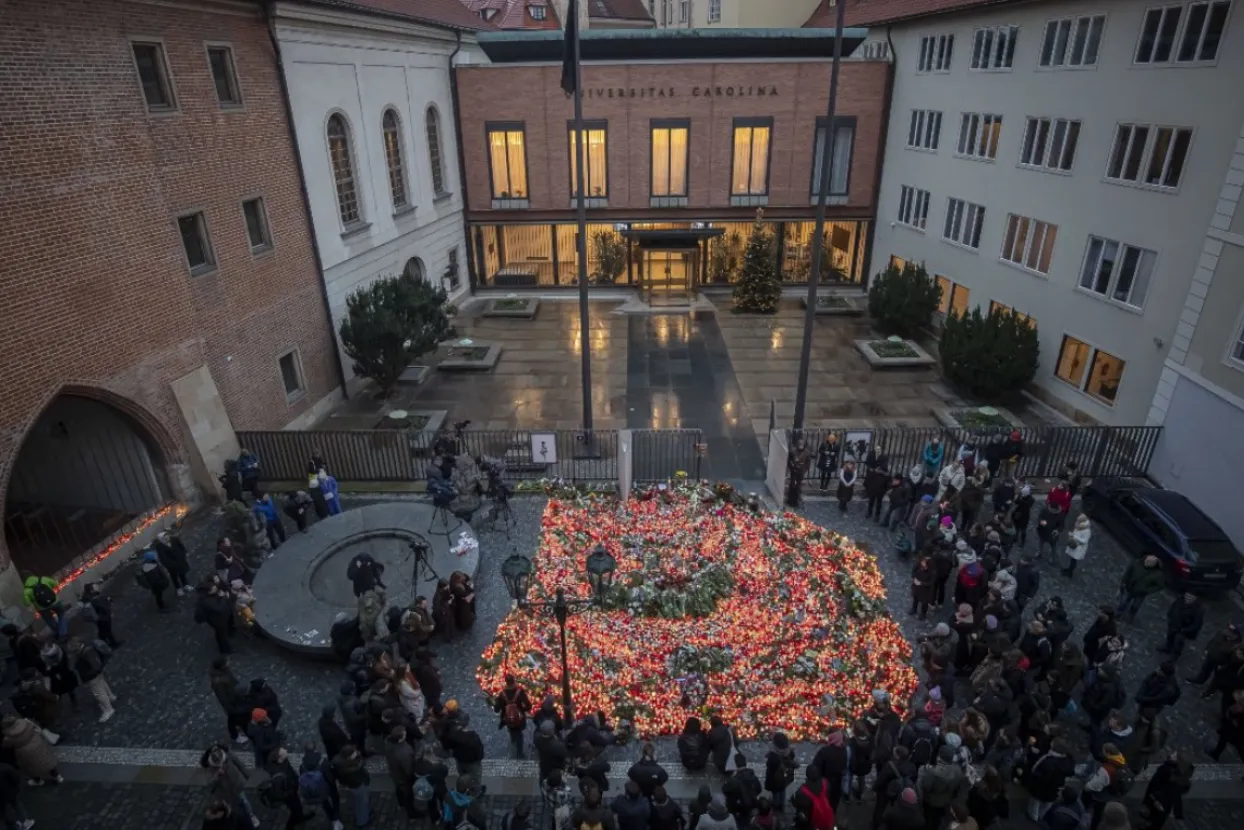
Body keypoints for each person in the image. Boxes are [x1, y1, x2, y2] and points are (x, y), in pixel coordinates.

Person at [201, 743, 259, 829]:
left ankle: (251, 816)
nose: (221, 765)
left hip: (236, 785)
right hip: (224, 792)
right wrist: (216, 776)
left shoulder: (229, 755)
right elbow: (209, 784)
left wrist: (246, 774)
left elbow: (239, 764)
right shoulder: (210, 768)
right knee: (232, 806)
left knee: (244, 801)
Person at [1021, 738, 1074, 822]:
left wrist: (1031, 776)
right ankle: (1041, 818)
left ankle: (1032, 818)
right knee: (1046, 804)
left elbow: (1042, 777)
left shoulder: (1049, 762)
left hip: (1040, 788)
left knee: (1034, 803)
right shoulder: (1067, 761)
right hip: (1054, 788)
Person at [0, 716, 62, 786]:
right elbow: (35, 727)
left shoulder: (8, 737)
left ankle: (38, 781)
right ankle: (57, 776)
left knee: (31, 767)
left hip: (24, 752)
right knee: (46, 760)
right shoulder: (26, 723)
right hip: (37, 743)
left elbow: (6, 746)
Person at [917, 745, 967, 830]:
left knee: (928, 819)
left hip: (931, 802)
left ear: (939, 757)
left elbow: (926, 787)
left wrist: (923, 770)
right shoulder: (958, 771)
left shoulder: (932, 772)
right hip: (945, 801)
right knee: (937, 819)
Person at [66, 637, 115, 723]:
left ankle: (108, 709)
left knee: (98, 693)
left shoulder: (87, 652)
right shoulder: (87, 648)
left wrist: (88, 674)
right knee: (103, 684)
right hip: (97, 674)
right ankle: (110, 697)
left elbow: (95, 666)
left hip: (93, 676)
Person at [1187, 622, 1241, 686]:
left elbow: (1233, 657)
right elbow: (1213, 641)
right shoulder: (1221, 634)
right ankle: (1199, 681)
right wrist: (1207, 649)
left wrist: (1225, 665)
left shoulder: (1237, 645)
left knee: (1217, 677)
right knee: (1204, 670)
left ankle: (1211, 688)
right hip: (1211, 656)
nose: (1227, 634)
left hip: (1220, 662)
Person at [331, 743, 371, 828]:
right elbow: (359, 769)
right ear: (349, 756)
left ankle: (365, 815)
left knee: (361, 802)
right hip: (357, 785)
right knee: (361, 804)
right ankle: (362, 822)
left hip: (351, 785)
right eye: (354, 752)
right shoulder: (352, 769)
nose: (356, 753)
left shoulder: (338, 762)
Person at [1116, 556, 1165, 621]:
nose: (1146, 562)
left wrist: (1147, 590)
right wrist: (1123, 583)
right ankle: (1119, 614)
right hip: (1129, 587)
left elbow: (1159, 586)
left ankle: (1130, 617)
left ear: (1154, 564)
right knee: (1124, 602)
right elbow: (1127, 573)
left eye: (1150, 562)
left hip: (1141, 592)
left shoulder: (1158, 574)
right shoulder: (1136, 563)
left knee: (1135, 606)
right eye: (1147, 560)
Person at [495, 675, 532, 760]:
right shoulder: (520, 692)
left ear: (506, 682)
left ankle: (513, 739)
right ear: (514, 681)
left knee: (512, 731)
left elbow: (496, 709)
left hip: (508, 719)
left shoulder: (502, 694)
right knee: (519, 734)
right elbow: (529, 706)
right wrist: (522, 710)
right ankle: (520, 752)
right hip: (519, 719)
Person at [196, 583, 236, 655]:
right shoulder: (207, 601)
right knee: (222, 635)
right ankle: (225, 650)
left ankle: (228, 638)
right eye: (213, 588)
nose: (215, 588)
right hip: (218, 621)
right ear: (209, 591)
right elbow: (220, 608)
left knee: (222, 633)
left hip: (221, 618)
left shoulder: (209, 597)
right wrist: (223, 597)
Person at [1160, 593, 1204, 658]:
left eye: (1191, 597)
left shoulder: (1198, 609)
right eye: (1187, 596)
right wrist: (1170, 617)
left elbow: (1196, 624)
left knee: (1178, 642)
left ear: (1195, 598)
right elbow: (1173, 608)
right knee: (1170, 637)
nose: (1188, 598)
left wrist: (1185, 630)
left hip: (1183, 630)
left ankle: (1174, 656)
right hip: (1174, 625)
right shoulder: (1180, 600)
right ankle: (1167, 647)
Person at [1206, 688, 1244, 761]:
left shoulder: (1239, 710)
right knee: (1226, 737)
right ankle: (1216, 753)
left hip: (1237, 729)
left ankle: (1216, 754)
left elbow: (1232, 715)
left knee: (1228, 738)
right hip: (1236, 727)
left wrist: (1234, 710)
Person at [78, 582, 120, 648]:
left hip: (98, 618)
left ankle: (108, 644)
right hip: (102, 617)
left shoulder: (88, 597)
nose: (97, 587)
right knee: (106, 630)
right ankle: (109, 645)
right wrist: (108, 603)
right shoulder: (95, 599)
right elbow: (102, 607)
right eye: (95, 587)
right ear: (91, 590)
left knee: (103, 631)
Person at [763, 732, 797, 812]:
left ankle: (776, 806)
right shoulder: (790, 752)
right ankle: (782, 806)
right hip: (786, 777)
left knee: (776, 792)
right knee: (782, 790)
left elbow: (770, 768)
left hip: (774, 779)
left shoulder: (773, 755)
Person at [152, 530, 192, 596]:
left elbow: (181, 546)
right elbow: (163, 557)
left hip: (180, 560)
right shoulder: (159, 546)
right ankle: (178, 588)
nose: (167, 538)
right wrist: (169, 565)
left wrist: (184, 554)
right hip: (171, 565)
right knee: (174, 577)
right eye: (165, 537)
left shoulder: (174, 539)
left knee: (182, 574)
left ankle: (186, 585)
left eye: (167, 536)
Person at [863, 456, 890, 521]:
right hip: (874, 489)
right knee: (872, 501)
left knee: (878, 503)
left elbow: (888, 481)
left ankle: (876, 515)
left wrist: (886, 488)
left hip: (880, 490)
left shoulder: (885, 471)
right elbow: (869, 479)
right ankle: (870, 513)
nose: (887, 463)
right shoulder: (876, 470)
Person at [909, 556, 935, 621]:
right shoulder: (918, 565)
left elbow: (931, 582)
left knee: (924, 602)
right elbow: (913, 571)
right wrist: (914, 577)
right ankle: (914, 609)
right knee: (915, 598)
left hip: (925, 590)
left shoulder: (932, 571)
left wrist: (921, 583)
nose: (922, 563)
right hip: (917, 587)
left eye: (924, 562)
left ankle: (923, 614)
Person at [1012, 484, 1035, 549]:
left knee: (1023, 530)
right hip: (1019, 514)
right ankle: (1016, 538)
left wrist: (1021, 499)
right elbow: (1016, 502)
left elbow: (1024, 504)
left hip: (1023, 516)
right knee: (1017, 528)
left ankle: (1022, 541)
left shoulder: (1030, 500)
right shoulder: (1024, 497)